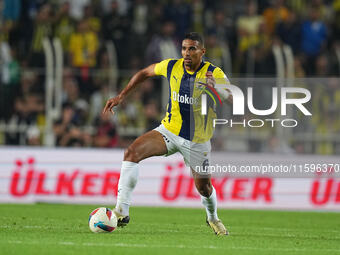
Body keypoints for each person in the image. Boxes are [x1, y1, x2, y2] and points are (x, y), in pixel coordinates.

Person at [103, 32, 232, 236]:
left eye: (192, 49)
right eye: (184, 48)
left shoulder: (213, 73)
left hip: (197, 140)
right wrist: (121, 96)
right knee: (131, 153)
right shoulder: (172, 66)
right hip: (169, 131)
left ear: (202, 51)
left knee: (204, 188)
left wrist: (218, 89)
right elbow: (145, 72)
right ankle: (121, 211)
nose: (186, 53)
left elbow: (233, 98)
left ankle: (213, 218)